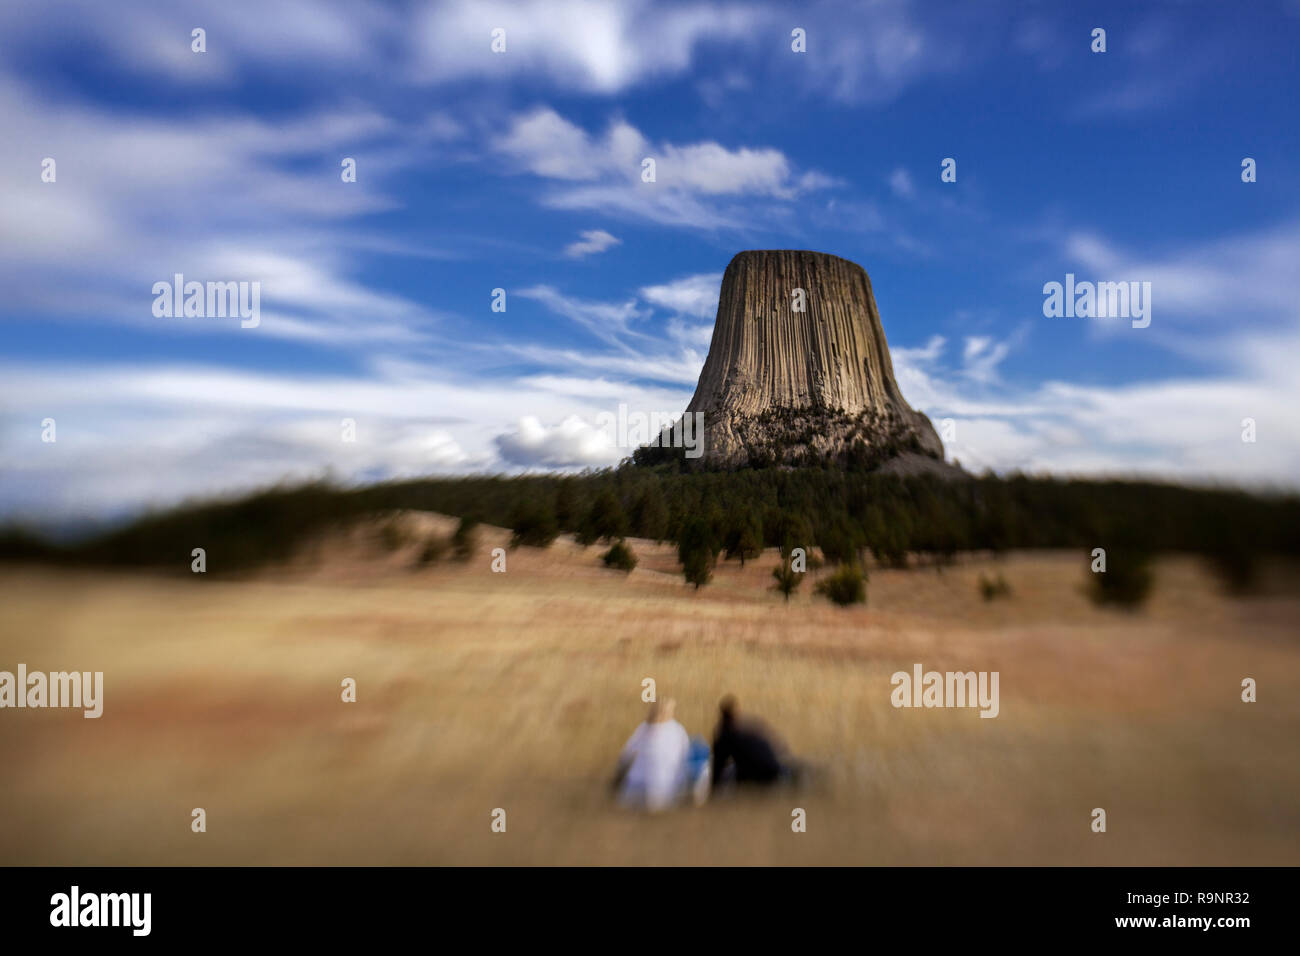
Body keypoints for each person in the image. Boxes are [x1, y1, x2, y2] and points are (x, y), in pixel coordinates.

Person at [612, 698, 693, 812]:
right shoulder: (676, 729)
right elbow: (686, 752)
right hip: (665, 782)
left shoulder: (645, 728)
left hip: (646, 782)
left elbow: (627, 752)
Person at [710, 695, 798, 788]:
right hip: (774, 767)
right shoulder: (748, 726)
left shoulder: (726, 735)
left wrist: (712, 786)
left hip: (758, 773)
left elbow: (718, 764)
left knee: (730, 772)